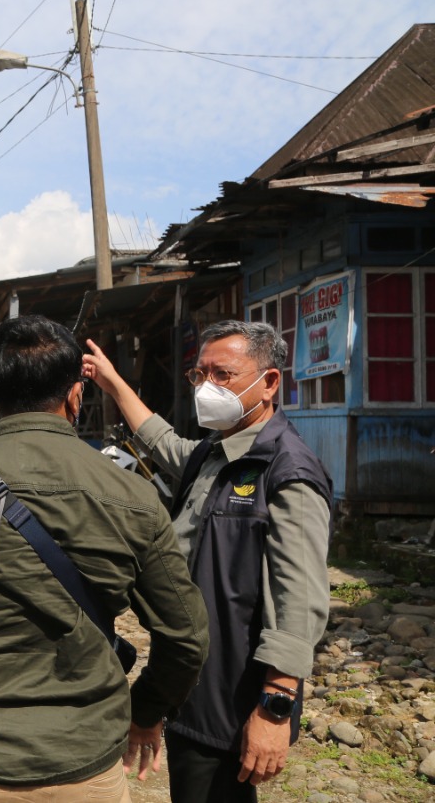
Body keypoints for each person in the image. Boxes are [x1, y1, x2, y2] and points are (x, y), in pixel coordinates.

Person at [0, 314, 209, 801]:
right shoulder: (133, 494)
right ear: (75, 395)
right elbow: (187, 637)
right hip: (87, 762)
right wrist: (145, 711)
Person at [83, 320, 332, 802]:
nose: (207, 388)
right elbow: (160, 440)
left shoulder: (286, 470)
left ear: (270, 382)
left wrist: (275, 708)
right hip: (190, 677)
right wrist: (112, 382)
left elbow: (298, 600)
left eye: (224, 375)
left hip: (235, 692)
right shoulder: (214, 455)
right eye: (200, 376)